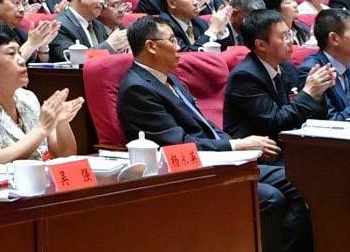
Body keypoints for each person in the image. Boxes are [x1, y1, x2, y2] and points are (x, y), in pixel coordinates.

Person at [219, 12, 327, 252]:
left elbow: (304, 115)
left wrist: (318, 95)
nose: (290, 41)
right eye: (282, 36)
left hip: (285, 152)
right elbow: (274, 123)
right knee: (296, 184)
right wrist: (309, 95)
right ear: (261, 44)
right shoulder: (246, 75)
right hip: (251, 157)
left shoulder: (286, 70)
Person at [116, 14, 274, 156]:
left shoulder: (169, 77)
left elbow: (202, 125)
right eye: (172, 40)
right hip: (195, 170)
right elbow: (176, 144)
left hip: (217, 155)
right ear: (151, 46)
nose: (178, 47)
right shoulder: (137, 90)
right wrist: (236, 145)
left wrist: (239, 146)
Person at [0, 16, 86, 161]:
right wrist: (42, 129)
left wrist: (62, 123)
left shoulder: (27, 97)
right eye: (12, 54)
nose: (21, 60)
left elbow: (66, 155)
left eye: (19, 53)